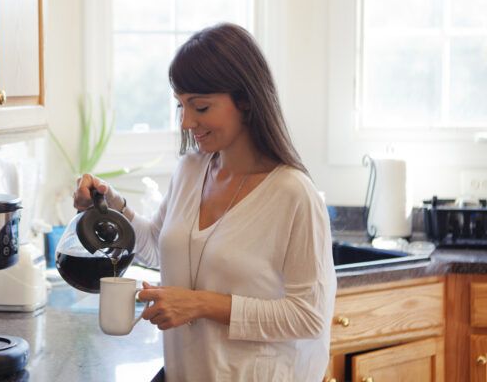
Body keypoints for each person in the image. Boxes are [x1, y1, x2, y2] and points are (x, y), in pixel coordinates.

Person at [73, 23, 336, 382]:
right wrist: (110, 204)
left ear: (245, 100)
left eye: (200, 107)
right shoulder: (191, 170)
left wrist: (200, 304)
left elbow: (308, 316)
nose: (186, 122)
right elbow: (156, 247)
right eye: (181, 106)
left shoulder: (293, 194)